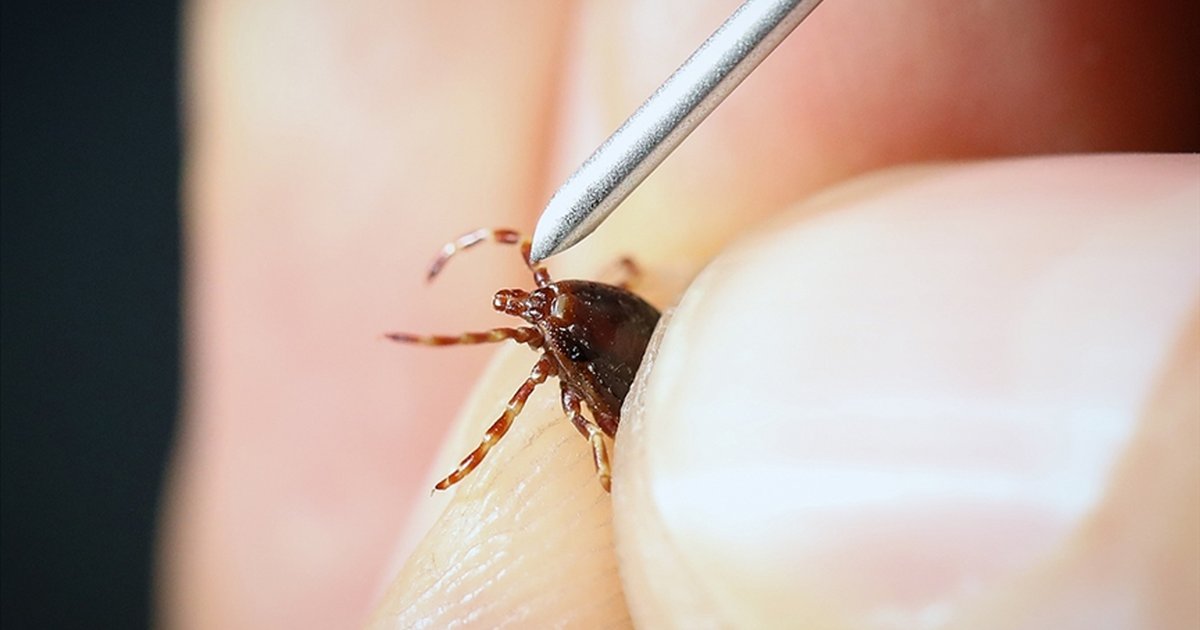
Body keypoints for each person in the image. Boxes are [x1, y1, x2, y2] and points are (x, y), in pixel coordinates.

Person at [162, 1, 1199, 627]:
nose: (518, 307)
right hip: (629, 345)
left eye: (520, 300)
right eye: (522, 305)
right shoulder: (571, 317)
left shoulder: (558, 338)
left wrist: (507, 430)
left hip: (632, 363)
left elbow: (542, 376)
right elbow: (593, 321)